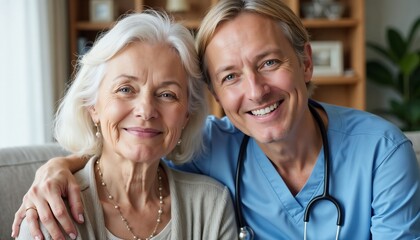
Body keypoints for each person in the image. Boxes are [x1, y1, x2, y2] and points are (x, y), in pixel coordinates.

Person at [12, 0, 420, 239]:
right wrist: (59, 166)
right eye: (230, 76)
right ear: (215, 94)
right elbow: (135, 144)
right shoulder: (210, 145)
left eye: (270, 62)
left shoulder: (381, 153)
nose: (256, 90)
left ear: (306, 62)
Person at [14, 11, 237, 240]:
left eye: (167, 94)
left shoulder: (212, 205)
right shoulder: (51, 209)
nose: (146, 110)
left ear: (187, 115)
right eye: (125, 89)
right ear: (92, 106)